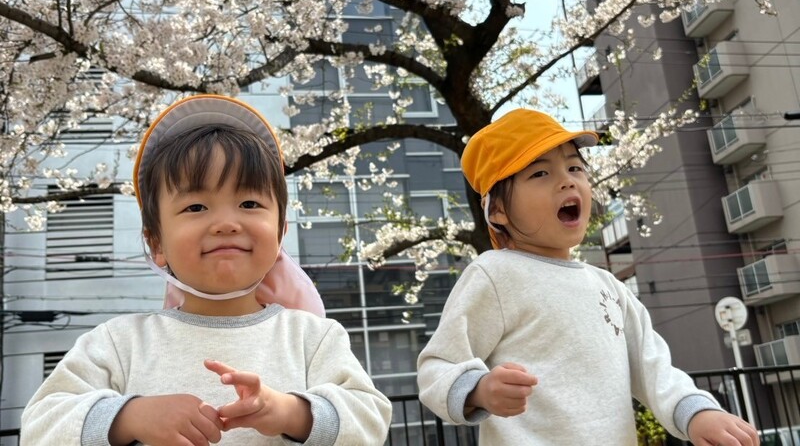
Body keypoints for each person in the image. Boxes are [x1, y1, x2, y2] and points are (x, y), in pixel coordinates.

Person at [22, 94, 392, 446]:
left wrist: (290, 412)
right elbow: (40, 425)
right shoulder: (118, 343)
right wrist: (129, 416)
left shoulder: (313, 337)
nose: (226, 223)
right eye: (196, 207)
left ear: (280, 233)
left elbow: (370, 419)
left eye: (249, 202)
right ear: (157, 244)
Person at [416, 108, 760, 446]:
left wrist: (697, 412)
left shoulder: (608, 286)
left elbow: (653, 367)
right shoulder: (495, 274)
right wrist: (479, 389)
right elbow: (438, 365)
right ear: (498, 210)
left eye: (574, 167)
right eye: (539, 174)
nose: (566, 179)